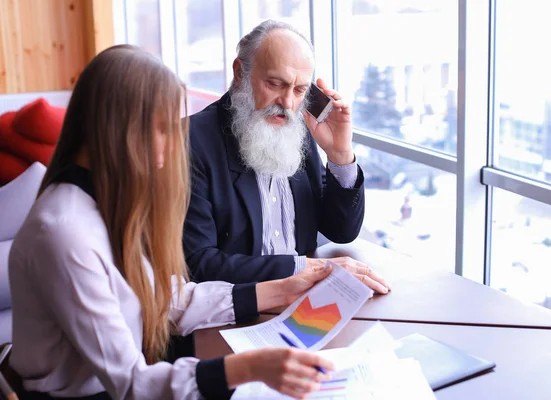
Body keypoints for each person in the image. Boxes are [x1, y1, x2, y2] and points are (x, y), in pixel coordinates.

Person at [8, 45, 335, 400]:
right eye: (163, 129)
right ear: (118, 129)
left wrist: (285, 288)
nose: (173, 146)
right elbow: (132, 384)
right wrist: (252, 367)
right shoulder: (64, 233)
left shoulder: (100, 205)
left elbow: (164, 301)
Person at [184, 20, 390, 294]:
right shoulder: (190, 141)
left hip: (307, 300)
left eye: (300, 90)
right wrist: (302, 269)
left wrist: (340, 155)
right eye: (275, 84)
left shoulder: (298, 128)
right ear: (239, 73)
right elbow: (198, 263)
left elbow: (342, 232)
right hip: (236, 310)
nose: (288, 103)